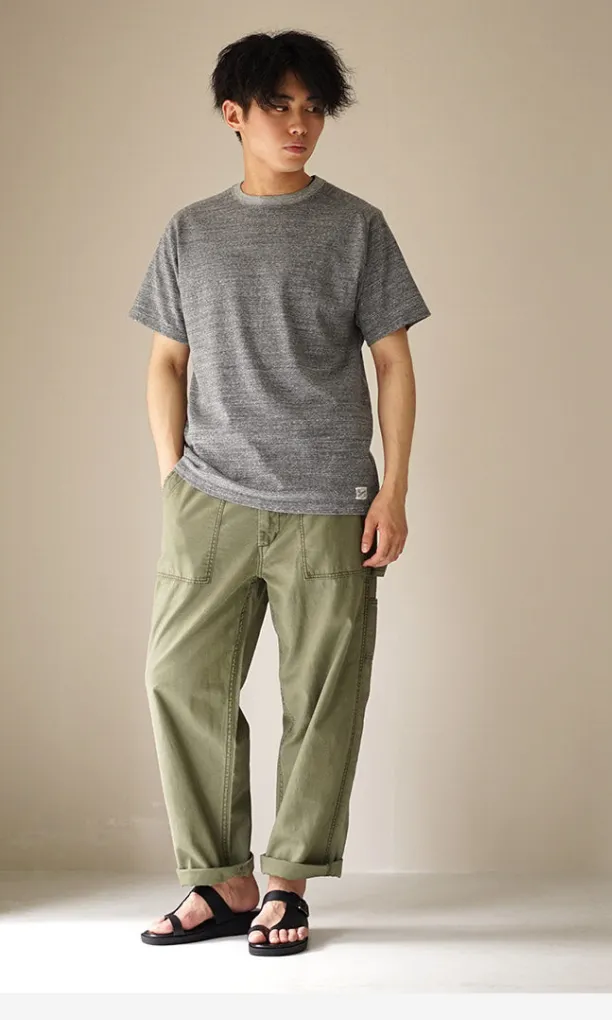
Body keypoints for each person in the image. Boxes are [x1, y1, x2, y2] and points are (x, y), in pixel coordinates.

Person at [128, 29, 430, 956]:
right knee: (179, 680)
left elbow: (393, 362)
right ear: (235, 115)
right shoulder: (190, 231)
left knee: (321, 696)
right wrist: (174, 476)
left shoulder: (357, 226)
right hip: (210, 499)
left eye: (313, 108)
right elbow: (166, 362)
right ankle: (222, 884)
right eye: (279, 106)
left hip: (330, 501)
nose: (300, 124)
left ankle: (287, 887)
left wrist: (394, 490)